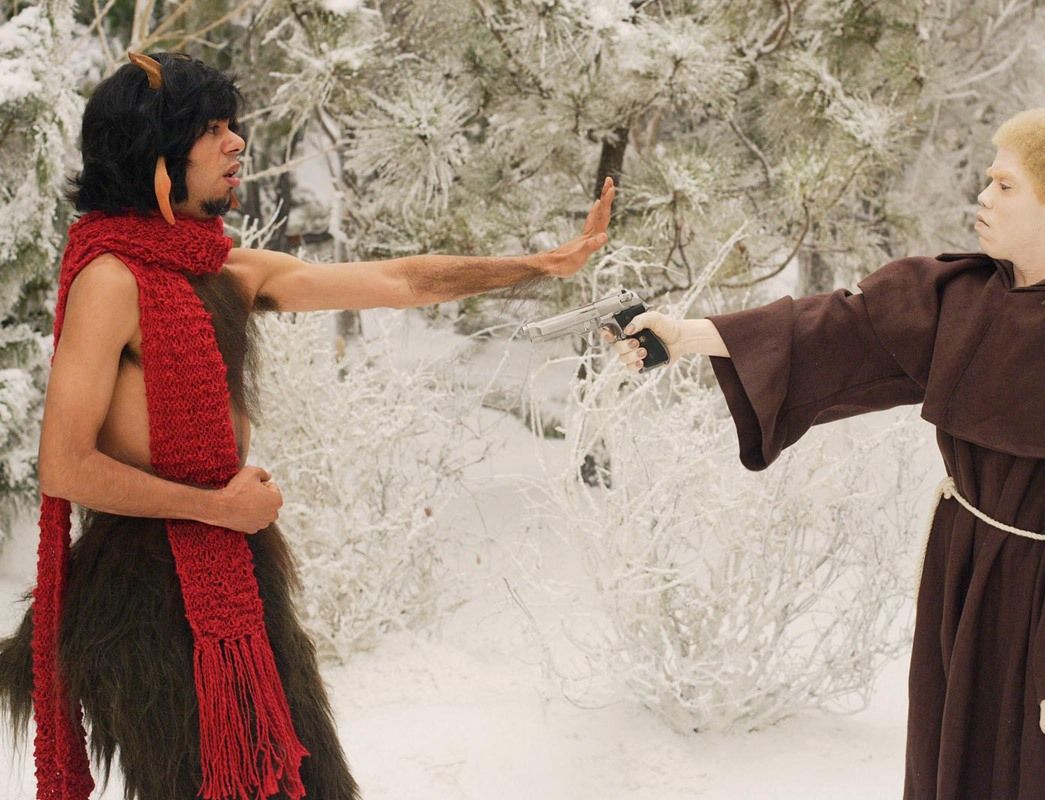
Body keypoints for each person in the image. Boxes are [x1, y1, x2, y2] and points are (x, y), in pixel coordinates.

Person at [0, 51, 615, 800]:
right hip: (143, 594)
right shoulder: (110, 280)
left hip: (235, 564)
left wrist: (538, 265)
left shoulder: (227, 270)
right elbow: (66, 466)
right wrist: (214, 507)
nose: (236, 143)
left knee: (303, 782)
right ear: (155, 154)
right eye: (212, 129)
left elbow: (400, 280)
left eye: (232, 126)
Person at [605, 107, 1045, 799]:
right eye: (987, 180)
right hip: (963, 565)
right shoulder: (957, 298)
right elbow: (830, 331)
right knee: (958, 754)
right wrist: (685, 337)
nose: (983, 196)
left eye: (1006, 185)